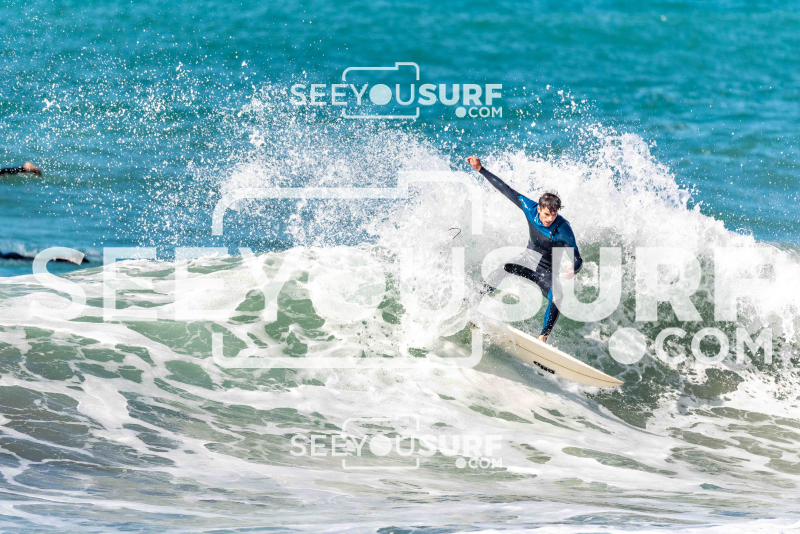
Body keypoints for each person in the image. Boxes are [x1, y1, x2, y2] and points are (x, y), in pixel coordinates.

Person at [467, 156, 582, 343]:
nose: (550, 219)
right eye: (547, 214)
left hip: (547, 271)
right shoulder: (529, 208)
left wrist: (574, 269)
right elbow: (506, 190)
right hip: (527, 259)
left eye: (554, 215)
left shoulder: (563, 229)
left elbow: (577, 257)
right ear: (539, 209)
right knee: (503, 268)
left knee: (557, 296)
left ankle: (543, 337)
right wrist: (481, 169)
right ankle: (474, 300)